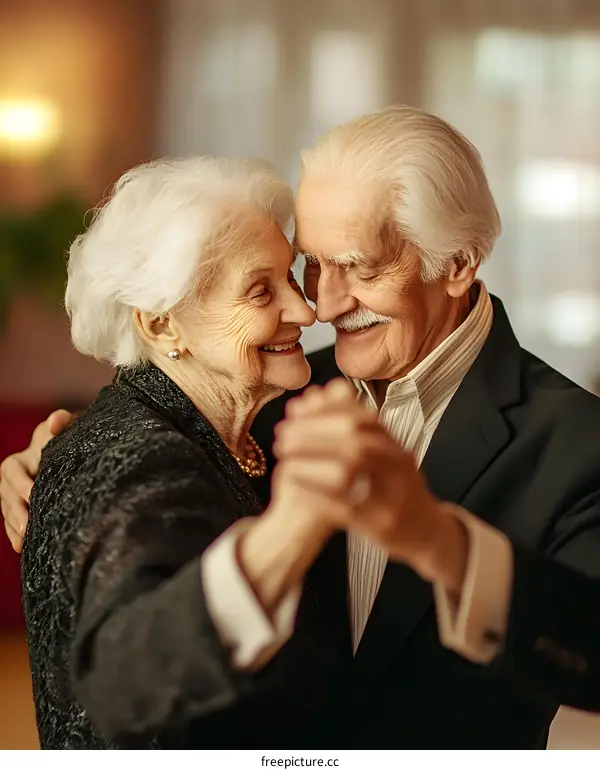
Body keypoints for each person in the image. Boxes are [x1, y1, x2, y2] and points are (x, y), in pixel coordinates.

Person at [4, 105, 600, 747]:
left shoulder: (579, 440)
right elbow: (148, 435)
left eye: (362, 267)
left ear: (456, 263)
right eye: (311, 263)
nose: (322, 304)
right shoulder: (270, 383)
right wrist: (61, 462)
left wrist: (440, 544)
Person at [12, 155, 378, 750]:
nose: (305, 311)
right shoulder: (144, 463)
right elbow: (140, 693)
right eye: (261, 290)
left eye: (291, 276)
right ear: (162, 327)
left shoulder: (224, 431)